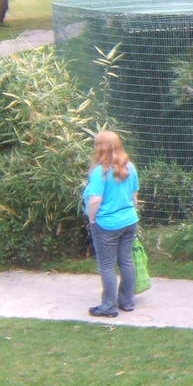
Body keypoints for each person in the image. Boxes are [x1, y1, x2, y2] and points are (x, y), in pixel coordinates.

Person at [81, 129, 140, 318]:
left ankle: (108, 307)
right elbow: (134, 196)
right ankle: (127, 301)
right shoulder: (130, 167)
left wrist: (92, 219)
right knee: (126, 261)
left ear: (100, 147)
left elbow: (95, 200)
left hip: (106, 224)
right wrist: (131, 213)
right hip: (129, 220)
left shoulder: (100, 172)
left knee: (107, 265)